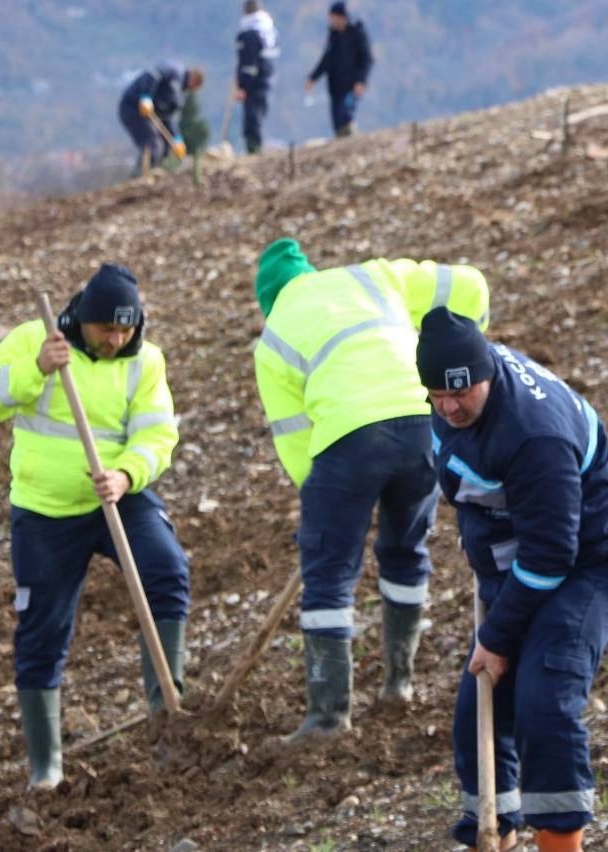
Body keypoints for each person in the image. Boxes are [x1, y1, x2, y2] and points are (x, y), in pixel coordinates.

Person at [415, 308, 608, 852]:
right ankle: (495, 835)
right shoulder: (450, 405)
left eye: (462, 392)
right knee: (479, 712)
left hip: (589, 558)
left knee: (546, 697)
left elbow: (551, 555)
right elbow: (467, 480)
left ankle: (560, 842)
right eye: (437, 394)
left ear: (487, 372)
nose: (450, 406)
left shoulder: (533, 433)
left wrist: (496, 638)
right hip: (519, 554)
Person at [252, 238, 489, 747]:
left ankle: (328, 717)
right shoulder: (372, 275)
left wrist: (325, 509)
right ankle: (398, 685)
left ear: (268, 300)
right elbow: (470, 284)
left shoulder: (274, 336)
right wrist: (470, 345)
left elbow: (296, 438)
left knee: (329, 575)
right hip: (421, 421)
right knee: (406, 550)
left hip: (348, 440)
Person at [0, 263, 190, 790]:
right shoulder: (34, 340)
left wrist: (127, 473)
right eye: (105, 330)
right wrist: (34, 370)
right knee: (42, 629)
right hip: (44, 512)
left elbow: (159, 436)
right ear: (81, 321)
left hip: (117, 498)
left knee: (166, 570)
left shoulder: (145, 362)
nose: (116, 340)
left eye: (125, 330)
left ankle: (168, 718)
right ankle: (46, 769)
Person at [119, 62, 204, 172]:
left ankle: (157, 174)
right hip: (133, 107)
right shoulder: (175, 70)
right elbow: (152, 74)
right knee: (152, 143)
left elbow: (168, 118)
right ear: (193, 79)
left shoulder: (179, 95)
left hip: (147, 115)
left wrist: (176, 139)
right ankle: (140, 176)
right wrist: (146, 96)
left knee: (165, 148)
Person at [305, 1, 373, 138]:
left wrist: (361, 80)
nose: (331, 21)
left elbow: (367, 59)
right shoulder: (333, 36)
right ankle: (342, 146)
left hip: (351, 85)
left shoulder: (357, 33)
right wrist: (313, 78)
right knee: (336, 120)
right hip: (335, 87)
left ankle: (350, 143)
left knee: (345, 114)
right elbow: (326, 60)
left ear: (342, 17)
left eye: (333, 18)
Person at [235, 0, 279, 154]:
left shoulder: (250, 34)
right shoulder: (269, 31)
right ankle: (256, 149)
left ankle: (254, 151)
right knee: (258, 117)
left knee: (252, 120)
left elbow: (249, 65)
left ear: (246, 12)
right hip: (268, 80)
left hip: (254, 85)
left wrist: (243, 86)